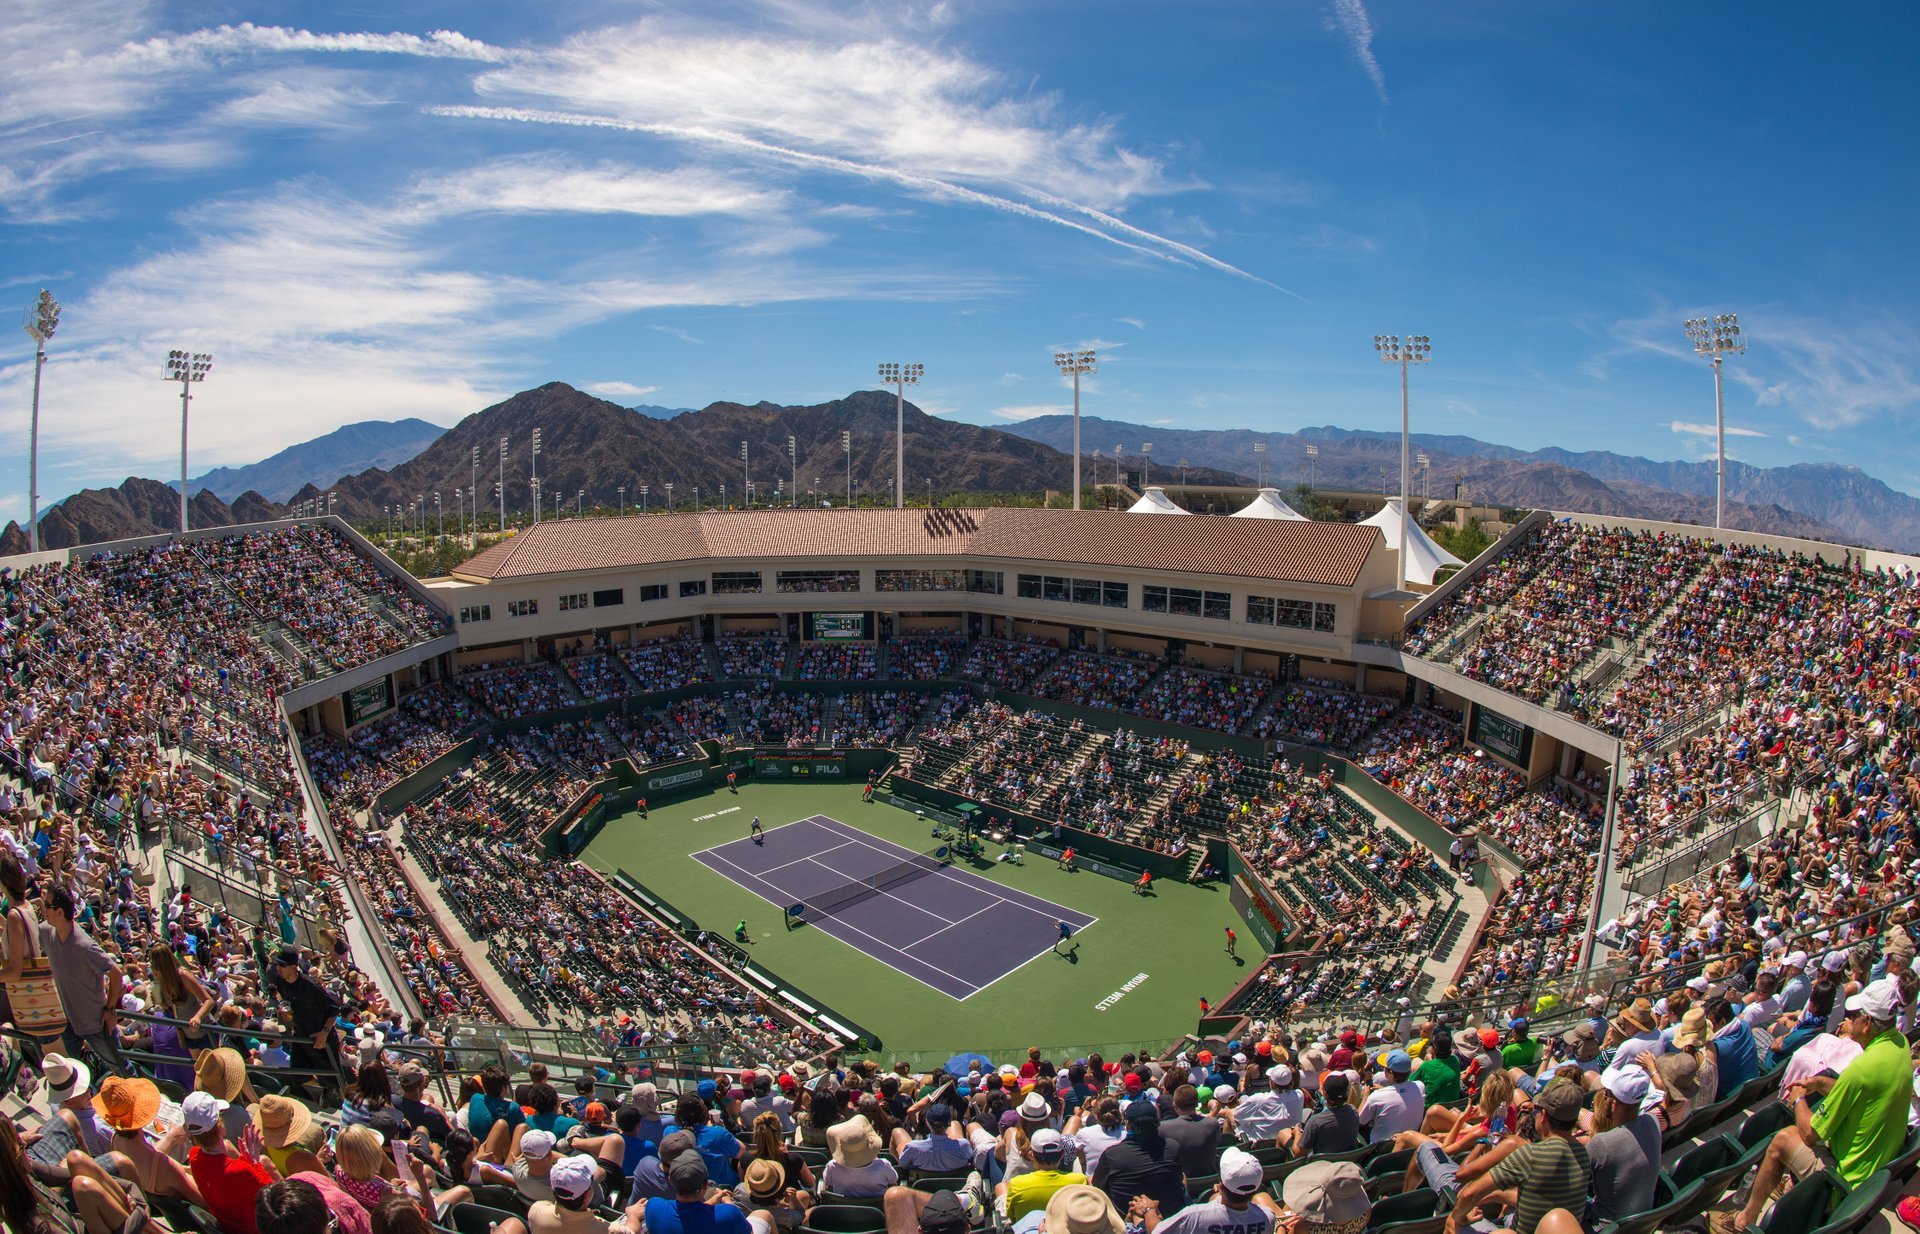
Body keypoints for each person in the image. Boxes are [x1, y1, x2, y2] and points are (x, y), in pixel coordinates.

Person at [1713, 976, 1913, 1233]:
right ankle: (1788, 1188)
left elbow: (1810, 1134)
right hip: (1873, 1172)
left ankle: (1743, 1221)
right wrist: (1821, 1083)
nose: (1849, 1020)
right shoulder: (1900, 1045)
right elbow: (1862, 1092)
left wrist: (1798, 1098)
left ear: (1869, 1022)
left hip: (1845, 1183)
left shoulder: (1862, 1069)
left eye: (1855, 1016)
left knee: (1783, 1139)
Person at [1447, 1078, 1591, 1234]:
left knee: (1452, 1220)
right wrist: (1499, 1194)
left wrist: (1461, 1217)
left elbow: (1469, 1194)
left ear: (1543, 1116)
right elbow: (1544, 1199)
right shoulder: (1583, 1154)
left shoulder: (1531, 1155)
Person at [38, 886, 127, 1073]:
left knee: (120, 1066)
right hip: (68, 1021)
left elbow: (116, 974)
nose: (42, 908)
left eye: (46, 905)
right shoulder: (46, 932)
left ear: (59, 912)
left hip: (94, 1023)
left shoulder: (84, 945)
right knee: (71, 1071)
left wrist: (110, 1009)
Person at [185, 1090, 280, 1234]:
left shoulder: (194, 1157)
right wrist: (254, 1163)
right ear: (220, 1128)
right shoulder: (241, 1170)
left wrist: (247, 1161)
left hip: (228, 1227)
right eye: (221, 1115)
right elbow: (276, 1197)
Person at [1584, 1065, 1661, 1227]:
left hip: (1604, 1227)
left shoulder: (1601, 1143)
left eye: (1605, 1094)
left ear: (1612, 1103)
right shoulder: (1653, 1121)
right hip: (1642, 1221)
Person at [1132, 1147, 1274, 1234]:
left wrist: (1149, 1210)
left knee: (1135, 1214)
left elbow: (1156, 1232)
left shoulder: (1194, 1215)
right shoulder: (1267, 1218)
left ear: (1221, 1185)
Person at [1090, 1100, 1185, 1216]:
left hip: (1127, 1223)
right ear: (1157, 1121)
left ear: (1128, 1125)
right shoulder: (1172, 1147)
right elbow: (1179, 1178)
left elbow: (1098, 1187)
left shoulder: (1112, 1155)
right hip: (1169, 1219)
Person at [263, 948, 340, 1082]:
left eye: (282, 965)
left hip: (319, 1040)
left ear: (293, 967)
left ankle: (330, 1092)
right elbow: (270, 975)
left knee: (332, 1078)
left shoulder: (312, 986)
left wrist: (324, 1032)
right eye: (278, 964)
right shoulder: (281, 981)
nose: (278, 968)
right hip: (300, 1036)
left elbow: (333, 1010)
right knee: (297, 1076)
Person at [643, 1146, 750, 1234]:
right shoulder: (729, 1213)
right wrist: (728, 1202)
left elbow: (689, 1214)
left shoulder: (653, 1207)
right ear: (705, 1185)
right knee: (762, 1214)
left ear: (671, 1180)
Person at [1000, 1129, 1086, 1221]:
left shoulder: (1016, 1184)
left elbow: (1012, 1218)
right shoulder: (1080, 1181)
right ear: (1062, 1154)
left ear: (1031, 1155)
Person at [1285, 1072, 1360, 1158]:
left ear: (1324, 1093)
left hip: (1321, 1165)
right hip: (1347, 1160)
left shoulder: (1315, 1122)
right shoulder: (1354, 1111)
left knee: (1283, 1133)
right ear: (1347, 1093)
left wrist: (1297, 1132)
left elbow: (1298, 1154)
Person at [1355, 1052, 1424, 1144]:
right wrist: (1385, 1090)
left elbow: (1360, 1120)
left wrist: (1366, 1096)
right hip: (1410, 1143)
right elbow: (1401, 1095)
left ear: (1390, 1073)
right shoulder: (1420, 1086)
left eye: (1385, 1068)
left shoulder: (1376, 1096)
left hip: (1382, 1149)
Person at [1225, 1066, 1304, 1145]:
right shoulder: (1299, 1095)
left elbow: (1238, 1116)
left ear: (1272, 1083)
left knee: (1230, 1113)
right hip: (1288, 1141)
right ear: (1291, 1081)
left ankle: (1227, 1147)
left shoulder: (1258, 1099)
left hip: (1259, 1144)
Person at [822, 1115, 896, 1197]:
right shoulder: (884, 1165)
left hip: (842, 1209)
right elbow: (893, 1186)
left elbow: (829, 1188)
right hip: (878, 1208)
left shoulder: (832, 1166)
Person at [892, 1103, 971, 1175]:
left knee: (897, 1131)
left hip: (921, 1187)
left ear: (927, 1122)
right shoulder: (963, 1146)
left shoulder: (913, 1148)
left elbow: (903, 1164)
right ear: (948, 1123)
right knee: (955, 1123)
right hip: (955, 1184)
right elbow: (970, 1160)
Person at [1158, 1086, 1221, 1177]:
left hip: (1179, 1186)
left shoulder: (1162, 1128)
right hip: (1209, 1183)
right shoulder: (1213, 1123)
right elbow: (1217, 1143)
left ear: (1174, 1105)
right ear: (1197, 1103)